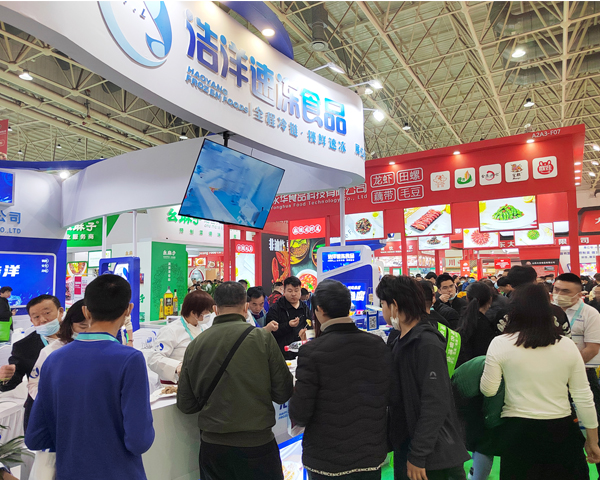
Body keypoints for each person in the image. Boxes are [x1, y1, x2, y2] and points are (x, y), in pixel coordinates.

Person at [26, 274, 155, 480]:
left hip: (69, 473)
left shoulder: (54, 359)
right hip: (120, 473)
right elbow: (139, 441)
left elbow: (35, 437)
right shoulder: (130, 359)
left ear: (86, 311)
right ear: (128, 310)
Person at [481, 284, 600, 479]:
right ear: (549, 307)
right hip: (561, 429)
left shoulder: (500, 343)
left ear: (514, 309)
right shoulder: (567, 345)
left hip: (517, 432)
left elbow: (489, 389)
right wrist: (592, 440)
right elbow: (583, 396)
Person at [177, 281, 293, 480]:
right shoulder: (263, 338)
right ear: (246, 307)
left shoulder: (196, 345)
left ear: (215, 309)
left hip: (213, 448)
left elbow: (186, 404)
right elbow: (283, 392)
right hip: (257, 445)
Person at [289, 280, 392, 479]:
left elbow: (300, 413)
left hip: (327, 458)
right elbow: (388, 394)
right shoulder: (377, 344)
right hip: (369, 453)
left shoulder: (312, 351)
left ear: (319, 309)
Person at [378, 275, 469, 480]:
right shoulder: (402, 339)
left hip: (431, 453)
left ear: (394, 305)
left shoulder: (426, 343)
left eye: (383, 304)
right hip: (408, 442)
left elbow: (435, 402)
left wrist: (419, 454)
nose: (382, 310)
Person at [554, 272, 600, 474]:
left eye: (565, 291)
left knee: (593, 424)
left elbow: (592, 348)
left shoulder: (590, 314)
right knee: (563, 431)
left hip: (584, 375)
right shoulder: (548, 312)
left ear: (579, 294)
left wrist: (569, 368)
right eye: (556, 289)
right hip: (554, 381)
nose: (559, 294)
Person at [0, 294, 64, 432]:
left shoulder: (77, 338)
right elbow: (12, 381)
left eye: (47, 313)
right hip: (41, 410)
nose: (42, 320)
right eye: (36, 317)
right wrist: (4, 377)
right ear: (31, 320)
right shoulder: (24, 346)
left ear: (60, 312)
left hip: (77, 407)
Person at [27, 299, 91, 401]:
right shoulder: (52, 351)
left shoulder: (110, 350)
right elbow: (34, 384)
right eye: (83, 326)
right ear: (70, 324)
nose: (90, 332)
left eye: (98, 327)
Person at [148, 290, 215, 384]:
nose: (209, 314)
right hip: (174, 385)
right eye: (206, 311)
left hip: (198, 383)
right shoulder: (171, 330)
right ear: (193, 313)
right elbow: (154, 359)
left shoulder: (204, 328)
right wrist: (177, 366)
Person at [497, 266, 571, 338]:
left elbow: (497, 339)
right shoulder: (556, 311)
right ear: (534, 281)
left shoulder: (504, 313)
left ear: (511, 285)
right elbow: (567, 337)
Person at [266, 276, 310, 359]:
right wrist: (288, 325)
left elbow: (310, 325)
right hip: (282, 354)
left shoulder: (305, 308)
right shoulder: (276, 308)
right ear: (284, 291)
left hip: (302, 353)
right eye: (290, 291)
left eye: (296, 290)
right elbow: (271, 332)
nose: (293, 294)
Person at [457, 282, 495, 368]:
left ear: (467, 298)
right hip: (480, 369)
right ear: (490, 299)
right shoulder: (488, 324)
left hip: (463, 369)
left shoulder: (462, 317)